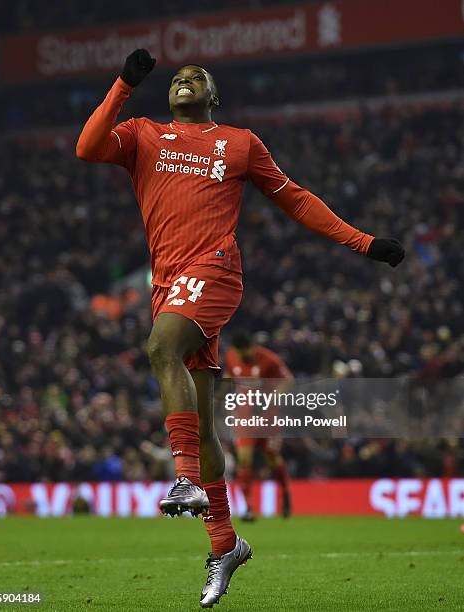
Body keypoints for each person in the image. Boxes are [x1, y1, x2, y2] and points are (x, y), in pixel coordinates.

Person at [76, 48, 405, 608]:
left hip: (214, 271)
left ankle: (181, 478)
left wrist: (364, 243)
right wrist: (123, 84)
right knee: (204, 428)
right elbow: (87, 147)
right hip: (169, 285)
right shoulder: (143, 135)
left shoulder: (239, 142)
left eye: (195, 77)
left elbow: (296, 199)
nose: (184, 81)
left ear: (212, 95)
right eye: (177, 78)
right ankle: (224, 544)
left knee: (161, 349)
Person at [225, 331, 293, 521]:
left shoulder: (269, 360)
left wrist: (270, 399)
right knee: (244, 460)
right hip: (244, 417)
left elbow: (288, 381)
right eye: (238, 353)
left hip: (267, 418)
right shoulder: (231, 356)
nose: (241, 356)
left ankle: (285, 491)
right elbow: (229, 374)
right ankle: (248, 507)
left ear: (251, 347)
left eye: (244, 352)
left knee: (272, 459)